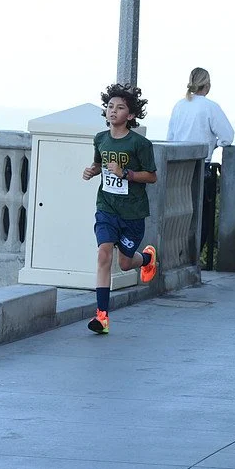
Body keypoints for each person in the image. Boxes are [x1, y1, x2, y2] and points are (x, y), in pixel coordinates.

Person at [82, 84, 158, 334]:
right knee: (104, 254)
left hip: (132, 212)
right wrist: (92, 171)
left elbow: (151, 176)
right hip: (106, 207)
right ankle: (101, 317)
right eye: (110, 106)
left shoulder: (140, 144)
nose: (113, 111)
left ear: (131, 115)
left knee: (125, 263)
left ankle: (146, 258)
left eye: (120, 108)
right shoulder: (100, 139)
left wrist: (126, 173)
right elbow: (98, 163)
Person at [167, 67, 235, 256]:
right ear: (208, 84)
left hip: (178, 167)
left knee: (181, 215)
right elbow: (227, 136)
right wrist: (213, 145)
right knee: (202, 216)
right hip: (201, 167)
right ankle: (195, 255)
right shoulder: (209, 107)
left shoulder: (179, 105)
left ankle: (179, 255)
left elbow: (170, 138)